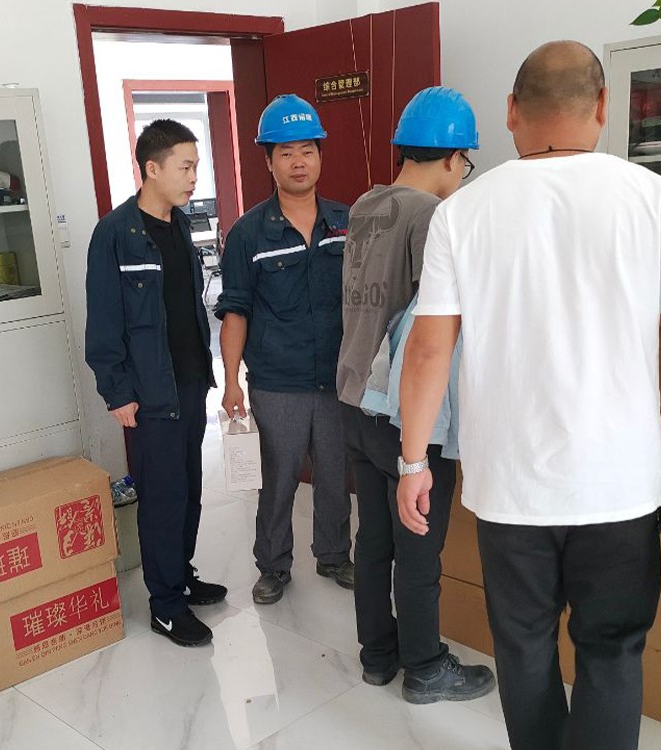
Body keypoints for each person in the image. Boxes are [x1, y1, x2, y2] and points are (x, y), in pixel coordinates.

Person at [396, 41, 661, 750]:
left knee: (524, 650)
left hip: (510, 494)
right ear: (603, 108)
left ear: (510, 112)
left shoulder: (462, 214)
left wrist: (414, 462)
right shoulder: (652, 198)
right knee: (612, 653)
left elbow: (428, 348)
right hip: (618, 492)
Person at [336, 86, 496, 703]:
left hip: (355, 400)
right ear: (454, 158)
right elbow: (433, 328)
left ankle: (378, 656)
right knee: (419, 549)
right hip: (405, 411)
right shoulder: (432, 215)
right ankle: (426, 667)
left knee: (374, 541)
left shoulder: (366, 203)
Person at [85, 119, 227, 648]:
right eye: (185, 167)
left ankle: (180, 576)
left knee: (189, 489)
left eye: (196, 166)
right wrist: (117, 391)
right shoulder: (115, 234)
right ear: (152, 168)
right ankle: (165, 606)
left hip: (189, 382)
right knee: (163, 498)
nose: (194, 177)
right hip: (148, 394)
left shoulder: (181, 226)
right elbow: (103, 321)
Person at [216, 94, 354, 605]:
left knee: (336, 475)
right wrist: (232, 381)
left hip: (338, 377)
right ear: (269, 162)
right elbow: (235, 312)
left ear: (320, 156)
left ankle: (334, 554)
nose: (299, 162)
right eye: (286, 153)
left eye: (307, 151)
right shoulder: (248, 233)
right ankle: (273, 565)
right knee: (277, 480)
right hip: (278, 382)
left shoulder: (347, 222)